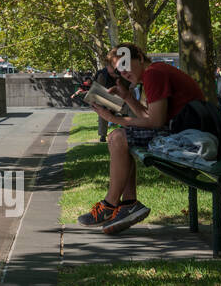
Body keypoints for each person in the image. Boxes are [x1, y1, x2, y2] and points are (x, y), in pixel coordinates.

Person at [78, 44, 211, 235]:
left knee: (117, 137)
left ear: (139, 57)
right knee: (122, 137)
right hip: (183, 130)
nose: (123, 72)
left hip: (188, 137)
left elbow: (155, 122)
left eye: (125, 64)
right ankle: (129, 203)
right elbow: (150, 115)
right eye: (119, 69)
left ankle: (110, 204)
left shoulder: (154, 74)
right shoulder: (154, 72)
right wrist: (127, 98)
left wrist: (113, 119)